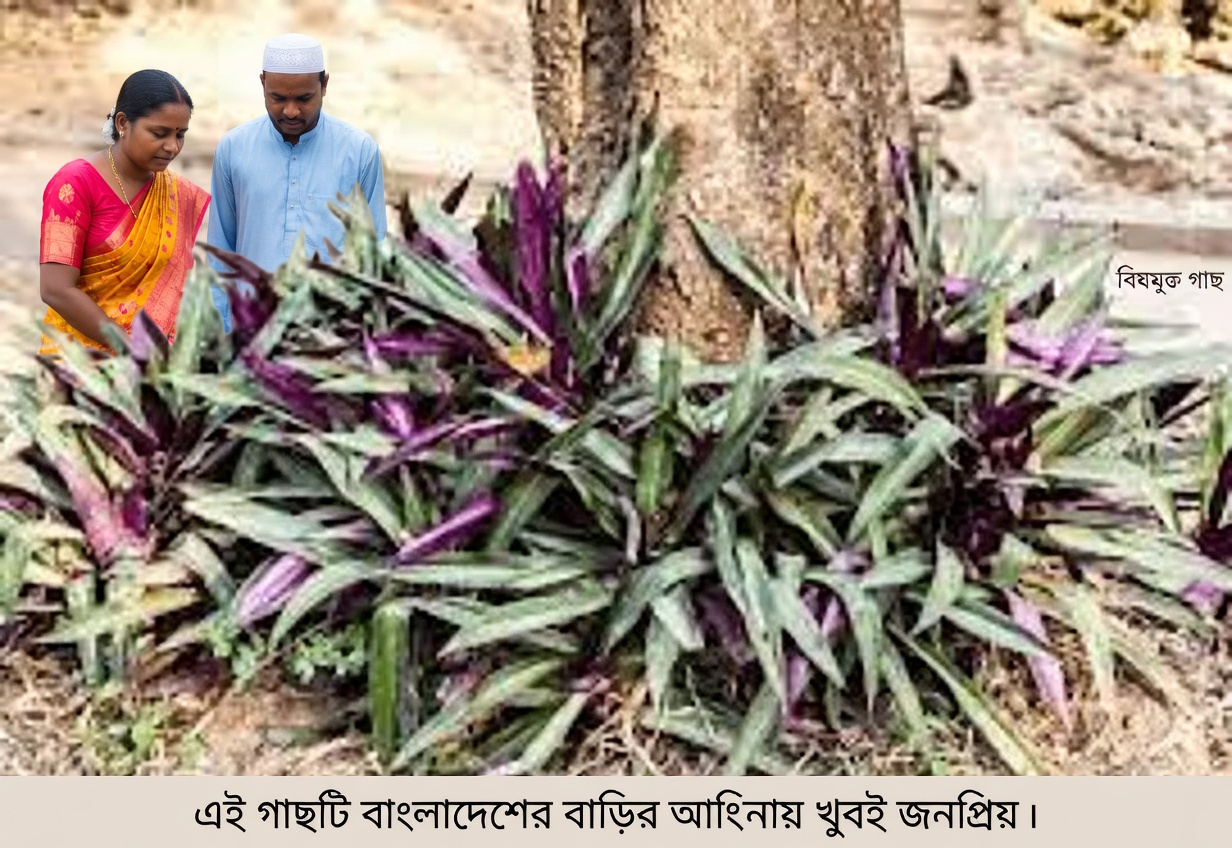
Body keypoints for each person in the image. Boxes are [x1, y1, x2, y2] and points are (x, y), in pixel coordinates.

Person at [206, 32, 388, 331]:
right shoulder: (233, 148)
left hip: (331, 334)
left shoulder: (359, 152)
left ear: (324, 85)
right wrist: (220, 331)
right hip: (250, 329)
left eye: (304, 98)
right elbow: (221, 250)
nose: (290, 111)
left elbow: (375, 251)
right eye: (278, 98)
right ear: (263, 83)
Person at [38, 69, 211, 356]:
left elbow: (176, 291)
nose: (172, 146)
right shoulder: (75, 184)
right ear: (123, 123)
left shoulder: (177, 194)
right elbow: (56, 289)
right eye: (159, 133)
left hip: (155, 370)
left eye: (180, 134)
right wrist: (130, 349)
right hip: (81, 365)